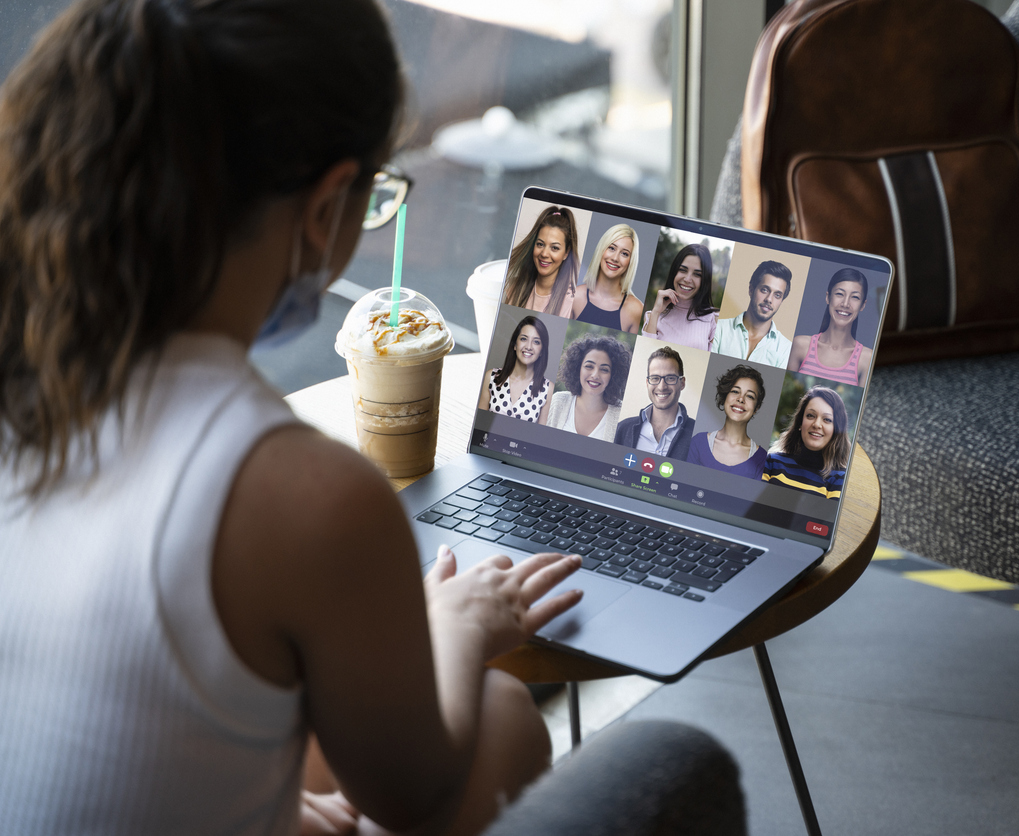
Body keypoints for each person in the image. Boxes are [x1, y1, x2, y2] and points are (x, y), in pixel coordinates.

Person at [0, 2, 585, 835]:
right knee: (501, 717)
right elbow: (412, 795)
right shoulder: (306, 494)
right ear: (324, 209)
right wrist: (451, 629)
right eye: (374, 196)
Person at [787, 267, 873, 386]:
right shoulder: (801, 345)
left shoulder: (866, 358)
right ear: (828, 297)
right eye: (839, 294)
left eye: (855, 297)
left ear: (863, 305)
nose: (845, 304)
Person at [762, 387, 851, 499]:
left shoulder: (840, 479)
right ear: (800, 422)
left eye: (827, 419)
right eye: (810, 415)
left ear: (836, 430)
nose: (817, 424)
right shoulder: (772, 462)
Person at [685, 366, 769, 480]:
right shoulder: (698, 443)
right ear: (725, 397)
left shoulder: (762, 459)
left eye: (749, 396)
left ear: (756, 408)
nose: (740, 399)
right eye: (735, 391)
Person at [613, 346, 696, 459]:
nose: (662, 387)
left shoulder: (698, 436)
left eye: (670, 378)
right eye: (655, 378)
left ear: (682, 383)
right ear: (647, 383)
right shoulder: (621, 429)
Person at [545, 333, 630, 442]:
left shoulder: (621, 415)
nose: (595, 375)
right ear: (578, 368)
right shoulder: (557, 402)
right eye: (589, 366)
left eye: (604, 369)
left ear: (613, 375)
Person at [711, 260, 793, 367]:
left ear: (781, 301)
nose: (769, 299)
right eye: (764, 290)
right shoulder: (719, 328)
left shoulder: (786, 349)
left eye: (777, 295)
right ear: (751, 289)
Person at [503, 205, 579, 317]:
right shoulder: (515, 286)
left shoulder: (572, 303)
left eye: (555, 248)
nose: (544, 253)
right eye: (540, 244)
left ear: (566, 253)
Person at [641, 243, 718, 350]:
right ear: (674, 272)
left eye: (697, 274)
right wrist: (656, 312)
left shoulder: (714, 319)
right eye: (683, 270)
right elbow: (645, 353)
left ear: (704, 280)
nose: (687, 279)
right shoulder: (652, 316)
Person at [478, 316, 554, 423]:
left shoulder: (548, 389)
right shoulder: (491, 377)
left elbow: (539, 437)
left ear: (542, 351)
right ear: (514, 345)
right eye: (524, 339)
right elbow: (480, 424)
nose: (528, 346)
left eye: (536, 342)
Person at [572, 224, 644, 333]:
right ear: (601, 249)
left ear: (631, 261)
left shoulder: (636, 309)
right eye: (611, 248)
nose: (615, 258)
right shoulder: (575, 296)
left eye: (624, 253)